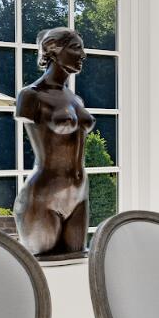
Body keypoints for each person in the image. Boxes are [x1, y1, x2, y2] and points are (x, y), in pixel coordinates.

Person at [13, 27, 95, 258]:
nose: (83, 54)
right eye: (76, 48)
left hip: (78, 194)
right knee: (42, 271)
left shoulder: (75, 99)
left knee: (77, 265)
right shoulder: (31, 96)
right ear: (53, 49)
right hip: (44, 195)